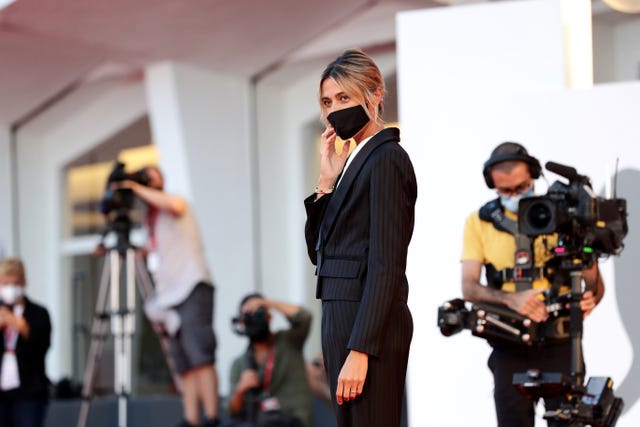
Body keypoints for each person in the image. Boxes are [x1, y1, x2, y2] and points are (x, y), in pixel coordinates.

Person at [303, 48, 417, 427]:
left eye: (344, 97)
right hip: (340, 317)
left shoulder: (386, 159)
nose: (334, 109)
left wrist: (361, 349)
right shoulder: (354, 160)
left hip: (366, 330)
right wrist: (325, 183)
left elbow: (386, 263)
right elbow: (318, 251)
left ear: (375, 94)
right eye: (327, 101)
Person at [460, 142, 605, 426]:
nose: (514, 195)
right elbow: (469, 288)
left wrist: (591, 298)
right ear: (493, 185)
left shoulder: (563, 215)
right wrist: (511, 299)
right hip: (509, 343)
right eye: (505, 191)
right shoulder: (479, 222)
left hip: (561, 342)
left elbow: (594, 283)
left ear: (535, 177)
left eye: (521, 186)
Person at [114, 166, 220, 427]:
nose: (148, 180)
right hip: (168, 295)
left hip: (191, 286)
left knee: (200, 355)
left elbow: (176, 207)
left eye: (151, 176)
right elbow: (157, 253)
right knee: (184, 362)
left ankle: (213, 418)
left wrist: (137, 187)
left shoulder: (174, 201)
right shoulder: (149, 218)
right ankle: (191, 418)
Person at [226, 294, 313, 427]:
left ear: (269, 317)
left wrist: (265, 303)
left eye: (258, 314)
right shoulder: (239, 364)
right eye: (248, 316)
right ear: (241, 323)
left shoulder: (289, 341)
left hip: (292, 420)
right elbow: (232, 411)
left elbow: (304, 317)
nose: (254, 320)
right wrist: (240, 390)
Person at [0, 258, 52, 427]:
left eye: (15, 283)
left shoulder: (38, 313)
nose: (10, 288)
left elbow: (43, 346)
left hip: (28, 391)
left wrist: (23, 328)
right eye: (5, 283)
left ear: (23, 282)